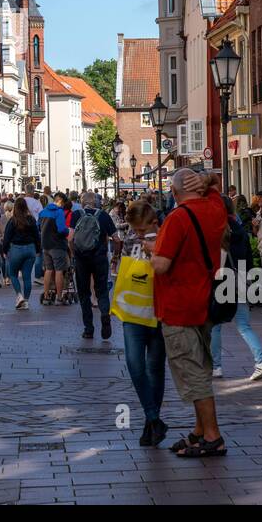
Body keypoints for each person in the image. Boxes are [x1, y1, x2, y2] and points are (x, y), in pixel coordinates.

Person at [153, 169, 227, 459]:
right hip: (205, 301)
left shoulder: (177, 218)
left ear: (173, 192)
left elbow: (161, 265)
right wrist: (206, 178)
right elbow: (216, 185)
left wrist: (150, 250)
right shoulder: (215, 208)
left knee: (193, 371)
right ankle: (199, 430)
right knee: (203, 365)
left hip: (179, 306)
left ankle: (212, 436)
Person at [118, 200, 167, 446]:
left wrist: (155, 249)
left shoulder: (165, 238)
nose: (138, 234)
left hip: (158, 310)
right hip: (134, 310)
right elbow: (123, 271)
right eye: (134, 229)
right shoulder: (129, 240)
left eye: (141, 229)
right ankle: (153, 417)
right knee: (134, 364)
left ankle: (151, 425)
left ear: (154, 222)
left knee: (155, 368)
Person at [210, 195, 262, 381]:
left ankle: (216, 367)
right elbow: (248, 258)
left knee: (215, 326)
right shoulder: (241, 230)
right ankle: (260, 360)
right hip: (241, 280)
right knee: (244, 325)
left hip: (223, 282)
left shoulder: (218, 230)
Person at [71, 191, 120, 340]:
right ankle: (105, 314)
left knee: (84, 293)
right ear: (95, 202)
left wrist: (73, 254)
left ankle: (88, 329)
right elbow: (116, 239)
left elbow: (70, 238)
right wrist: (115, 257)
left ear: (82, 201)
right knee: (102, 290)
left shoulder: (76, 215)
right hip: (99, 258)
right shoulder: (103, 215)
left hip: (81, 259)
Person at [2, 196, 40, 309]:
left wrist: (5, 250)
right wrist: (38, 249)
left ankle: (19, 295)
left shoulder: (13, 221)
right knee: (27, 277)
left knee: (13, 274)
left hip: (16, 249)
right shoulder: (31, 220)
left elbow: (6, 238)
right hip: (30, 249)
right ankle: (26, 301)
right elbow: (37, 236)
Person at [39, 192, 71, 305]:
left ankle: (46, 295)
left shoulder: (43, 212)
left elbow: (39, 227)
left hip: (45, 245)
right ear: (61, 201)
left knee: (48, 270)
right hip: (57, 244)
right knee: (59, 270)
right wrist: (67, 231)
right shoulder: (59, 212)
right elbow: (62, 229)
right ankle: (59, 296)